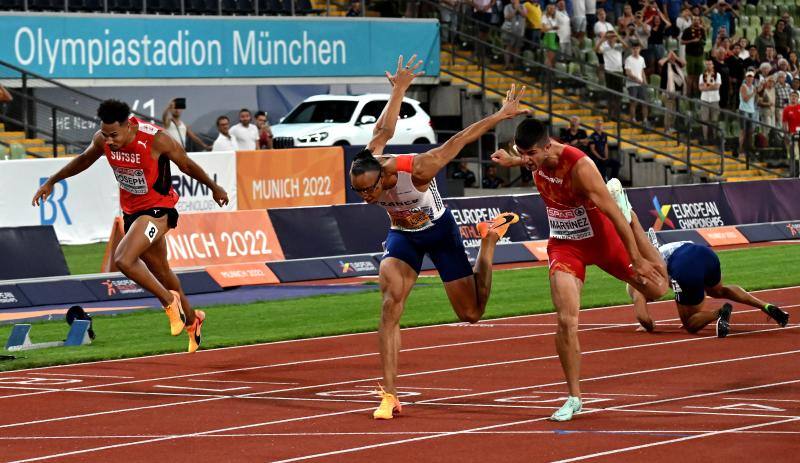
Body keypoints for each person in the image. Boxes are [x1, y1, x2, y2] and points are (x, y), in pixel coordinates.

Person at [349, 56, 526, 420]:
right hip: (403, 237)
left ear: (382, 178)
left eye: (369, 191)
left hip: (440, 232)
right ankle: (389, 395)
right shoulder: (369, 161)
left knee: (471, 313)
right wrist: (398, 89)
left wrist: (500, 115)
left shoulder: (417, 169)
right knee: (389, 308)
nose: (366, 198)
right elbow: (384, 130)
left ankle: (488, 240)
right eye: (359, 193)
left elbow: (460, 140)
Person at [491, 118, 668, 422]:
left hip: (603, 240)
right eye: (524, 154)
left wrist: (637, 256)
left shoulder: (581, 167)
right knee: (565, 319)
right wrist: (513, 160)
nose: (528, 161)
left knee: (657, 289)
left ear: (548, 146)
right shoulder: (536, 157)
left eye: (531, 154)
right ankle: (574, 397)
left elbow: (611, 216)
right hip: (565, 245)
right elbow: (529, 157)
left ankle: (634, 215)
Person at [32, 100, 229, 353]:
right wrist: (52, 181)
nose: (109, 141)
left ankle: (169, 302)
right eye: (105, 134)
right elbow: (83, 160)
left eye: (114, 135)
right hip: (132, 213)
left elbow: (186, 165)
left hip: (159, 210)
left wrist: (214, 187)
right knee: (163, 274)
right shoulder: (103, 140)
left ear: (128, 126)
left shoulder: (156, 139)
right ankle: (193, 320)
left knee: (124, 259)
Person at [630, 240, 789, 336]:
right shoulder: (658, 252)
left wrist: (648, 326)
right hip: (705, 253)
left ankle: (720, 313)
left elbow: (645, 319)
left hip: (684, 266)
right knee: (719, 290)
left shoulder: (639, 280)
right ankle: (765, 306)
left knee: (690, 325)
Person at [595, 30, 627, 119]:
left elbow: (626, 46)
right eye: (609, 37)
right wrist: (602, 39)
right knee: (610, 94)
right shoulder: (605, 47)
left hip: (618, 71)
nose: (611, 39)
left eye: (612, 37)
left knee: (618, 95)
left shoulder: (618, 46)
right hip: (609, 72)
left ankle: (616, 114)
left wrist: (618, 36)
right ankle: (610, 114)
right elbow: (596, 50)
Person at [659, 50, 686, 135]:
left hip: (677, 92)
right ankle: (666, 129)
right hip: (667, 92)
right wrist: (668, 57)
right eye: (671, 56)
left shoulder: (677, 65)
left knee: (673, 112)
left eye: (673, 56)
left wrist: (676, 57)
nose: (672, 57)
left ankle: (671, 127)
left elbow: (684, 63)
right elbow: (660, 62)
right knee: (669, 111)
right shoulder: (666, 65)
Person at [682, 16, 706, 98]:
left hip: (700, 55)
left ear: (700, 21)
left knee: (699, 76)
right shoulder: (687, 30)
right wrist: (692, 41)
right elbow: (682, 42)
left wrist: (701, 41)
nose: (696, 21)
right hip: (690, 55)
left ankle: (697, 95)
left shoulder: (702, 30)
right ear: (692, 21)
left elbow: (704, 41)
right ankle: (689, 94)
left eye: (698, 20)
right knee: (690, 75)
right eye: (694, 20)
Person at [625, 40, 648, 126]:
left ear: (640, 49)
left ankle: (645, 120)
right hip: (632, 84)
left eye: (637, 48)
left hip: (641, 83)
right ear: (631, 49)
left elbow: (642, 71)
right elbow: (627, 72)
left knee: (644, 102)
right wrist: (636, 79)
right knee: (633, 102)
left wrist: (645, 81)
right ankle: (633, 119)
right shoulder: (628, 59)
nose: (635, 50)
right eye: (634, 48)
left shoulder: (642, 58)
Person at [699, 59, 722, 141]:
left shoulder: (717, 75)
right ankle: (705, 138)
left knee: (714, 119)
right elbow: (701, 88)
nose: (708, 66)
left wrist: (706, 86)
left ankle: (714, 137)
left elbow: (717, 87)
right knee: (705, 120)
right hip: (704, 99)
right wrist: (711, 87)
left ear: (713, 65)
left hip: (714, 100)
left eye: (710, 64)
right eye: (707, 64)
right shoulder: (702, 76)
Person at [739, 70, 758, 157]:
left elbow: (754, 100)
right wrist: (753, 93)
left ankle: (748, 149)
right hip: (744, 110)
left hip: (751, 110)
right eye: (749, 76)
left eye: (751, 77)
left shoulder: (753, 87)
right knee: (743, 131)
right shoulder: (743, 86)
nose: (750, 78)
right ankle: (741, 150)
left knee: (750, 131)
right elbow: (745, 99)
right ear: (746, 78)